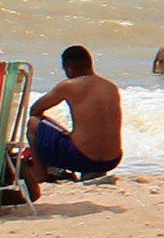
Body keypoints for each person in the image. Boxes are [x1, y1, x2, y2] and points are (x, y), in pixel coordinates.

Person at [28, 45, 123, 183]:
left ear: (69, 69)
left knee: (33, 122)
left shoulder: (69, 85)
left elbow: (35, 110)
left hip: (83, 159)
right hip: (112, 161)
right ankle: (93, 172)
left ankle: (40, 175)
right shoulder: (110, 87)